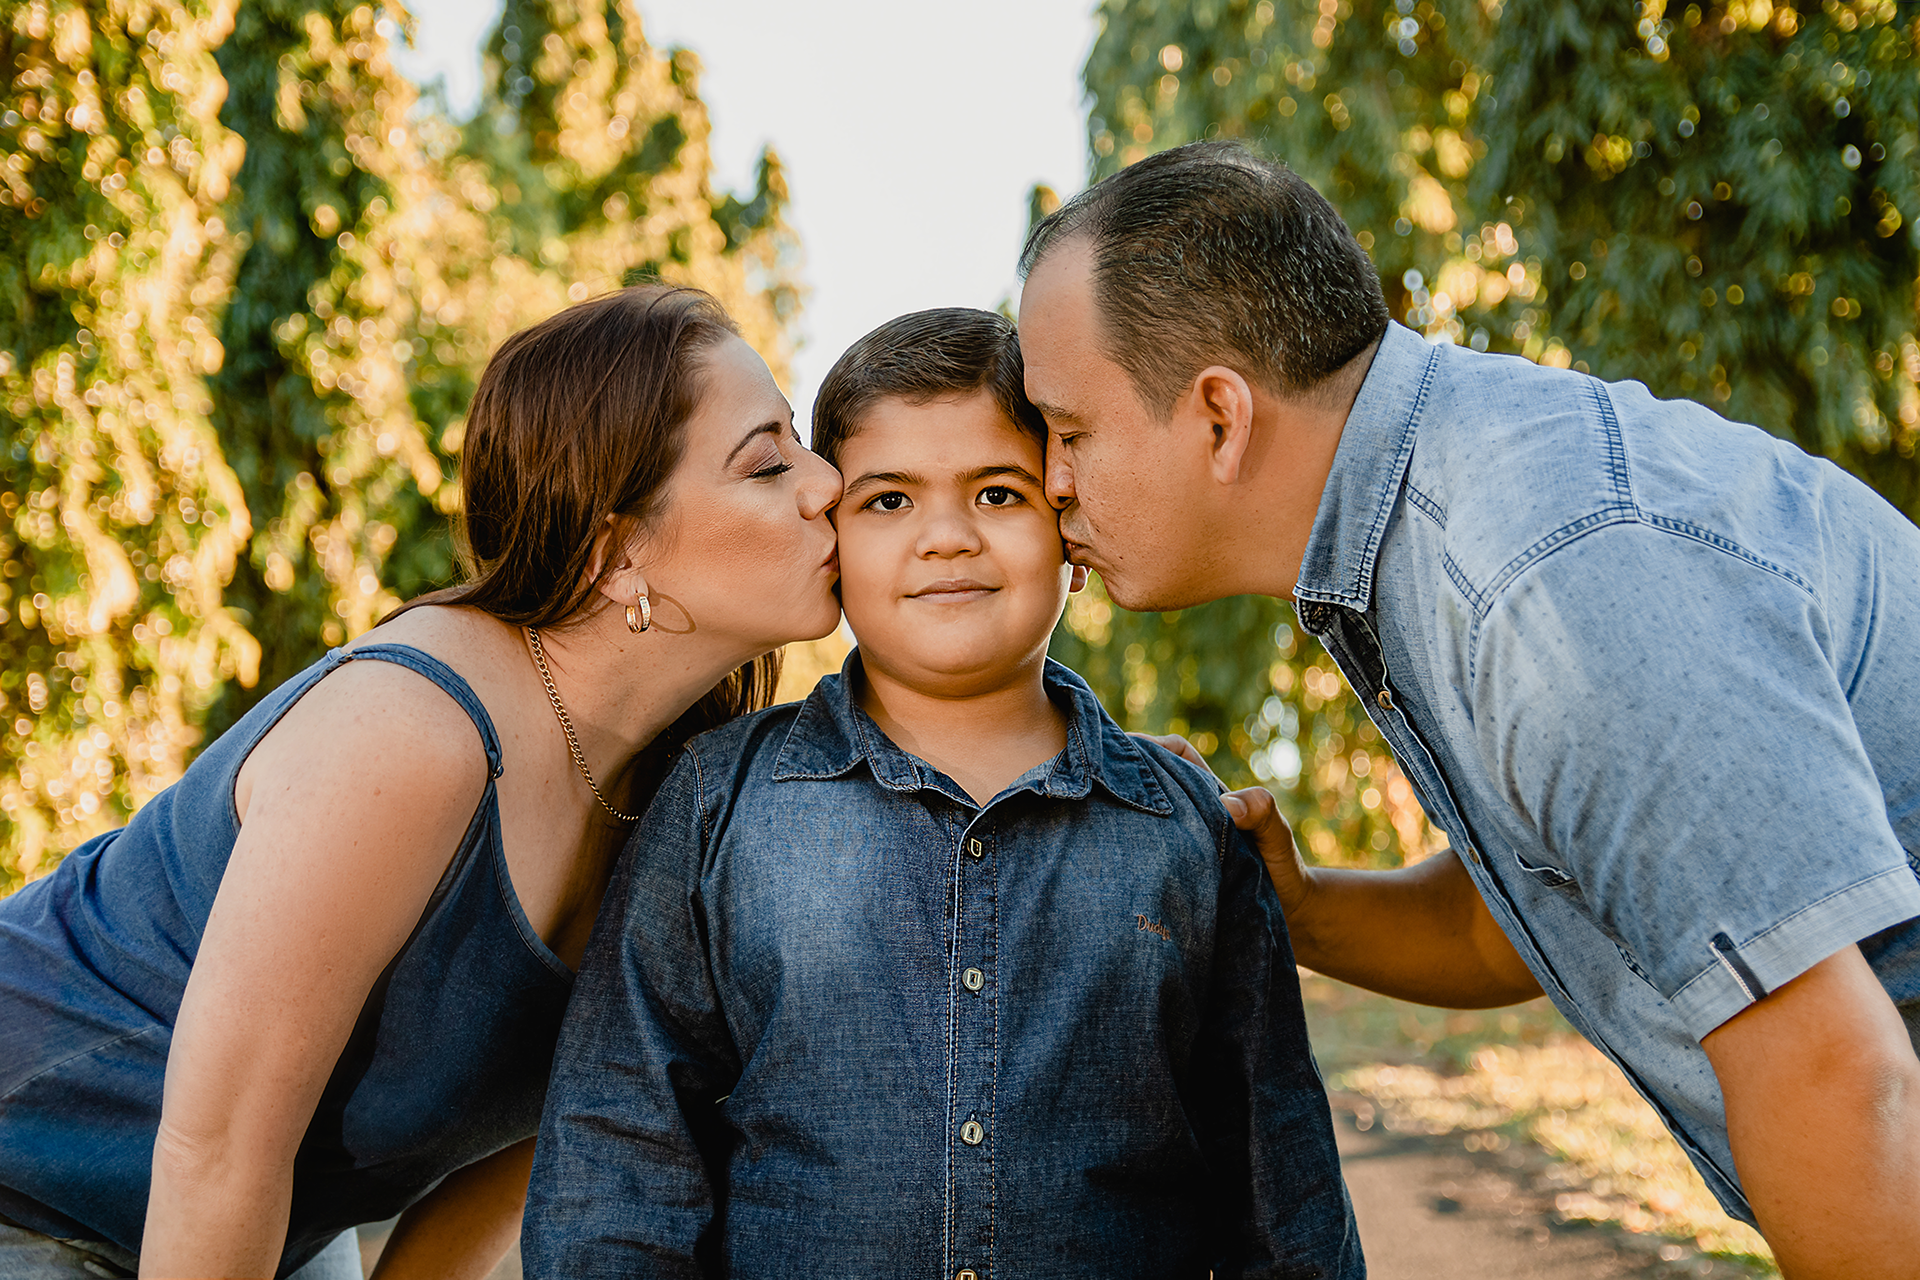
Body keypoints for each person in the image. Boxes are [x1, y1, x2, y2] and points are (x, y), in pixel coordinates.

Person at [1014, 139, 1920, 1278]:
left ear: (1218, 418)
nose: (1049, 482)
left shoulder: (1539, 577)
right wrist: (1292, 904)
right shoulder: (1420, 540)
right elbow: (1530, 908)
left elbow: (1836, 1074)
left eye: (1070, 429)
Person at [0, 284, 844, 1280]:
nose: (827, 481)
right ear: (620, 555)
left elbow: (512, 1170)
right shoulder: (415, 733)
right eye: (767, 461)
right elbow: (216, 1150)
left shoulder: (675, 811)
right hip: (36, 1183)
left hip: (255, 1227)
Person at [523, 308, 1362, 1279]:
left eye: (998, 492)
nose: (947, 538)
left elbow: (1284, 1200)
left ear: (1069, 521)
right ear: (831, 536)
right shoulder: (716, 805)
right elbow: (618, 1159)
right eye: (888, 501)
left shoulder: (1181, 827)